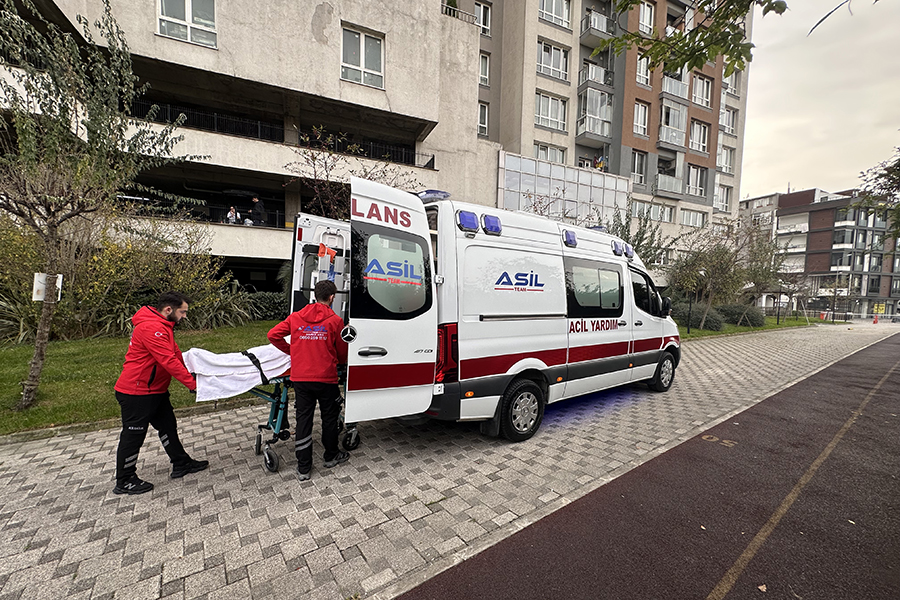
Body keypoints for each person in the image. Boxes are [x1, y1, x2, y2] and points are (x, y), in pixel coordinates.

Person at [112, 292, 209, 495]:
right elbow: (168, 361)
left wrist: (195, 374)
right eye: (182, 312)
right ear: (168, 310)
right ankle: (125, 479)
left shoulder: (164, 326)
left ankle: (181, 463)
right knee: (133, 436)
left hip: (155, 389)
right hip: (137, 392)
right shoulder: (151, 328)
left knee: (167, 426)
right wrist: (192, 384)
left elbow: (175, 355)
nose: (184, 316)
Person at [268, 280, 349, 481]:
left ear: (314, 294)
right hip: (326, 378)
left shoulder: (296, 318)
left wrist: (294, 351)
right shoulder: (335, 321)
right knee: (330, 417)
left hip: (301, 379)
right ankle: (331, 456)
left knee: (304, 420)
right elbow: (341, 352)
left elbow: (273, 335)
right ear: (332, 297)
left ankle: (304, 467)